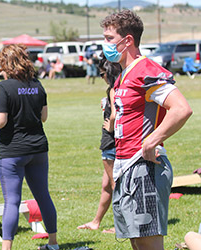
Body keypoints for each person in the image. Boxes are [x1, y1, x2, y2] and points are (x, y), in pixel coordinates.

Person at [101, 10, 192, 250]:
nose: (105, 45)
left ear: (127, 40)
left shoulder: (146, 70)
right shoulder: (122, 76)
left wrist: (153, 140)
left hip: (143, 168)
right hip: (126, 168)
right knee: (138, 243)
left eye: (110, 38)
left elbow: (181, 109)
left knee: (149, 245)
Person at [0, 44, 58, 250]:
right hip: (38, 148)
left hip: (13, 150)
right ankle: (53, 242)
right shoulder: (37, 84)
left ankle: (7, 248)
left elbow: (1, 121)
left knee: (12, 201)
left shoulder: (3, 87)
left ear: (6, 64)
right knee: (43, 196)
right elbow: (44, 117)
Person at [77, 54, 121, 233]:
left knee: (115, 184)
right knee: (106, 185)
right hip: (114, 143)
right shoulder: (118, 88)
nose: (101, 77)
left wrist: (110, 125)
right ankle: (96, 221)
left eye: (102, 74)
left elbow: (115, 115)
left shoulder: (113, 89)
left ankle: (121, 225)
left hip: (110, 143)